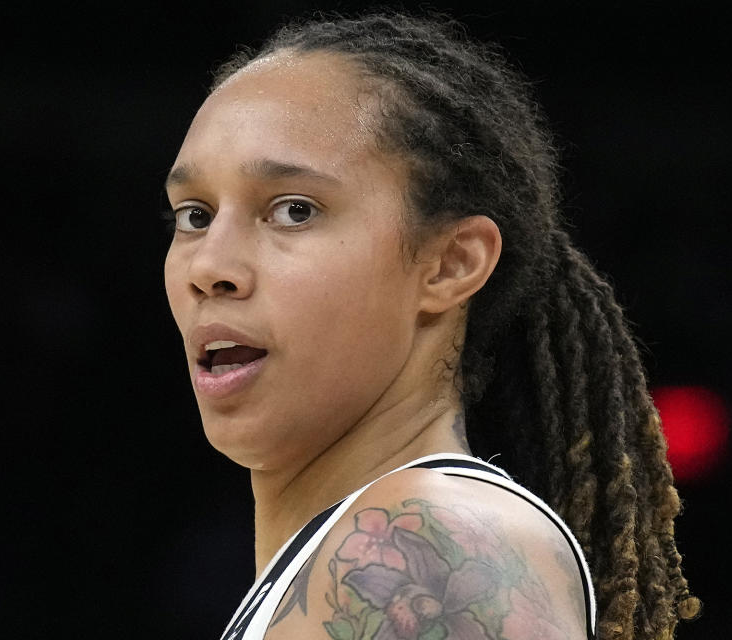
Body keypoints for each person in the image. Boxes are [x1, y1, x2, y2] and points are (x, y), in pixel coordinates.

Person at [163, 11, 699, 640]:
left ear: (450, 264)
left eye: (294, 210)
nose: (209, 266)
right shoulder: (345, 552)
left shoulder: (431, 539)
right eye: (194, 215)